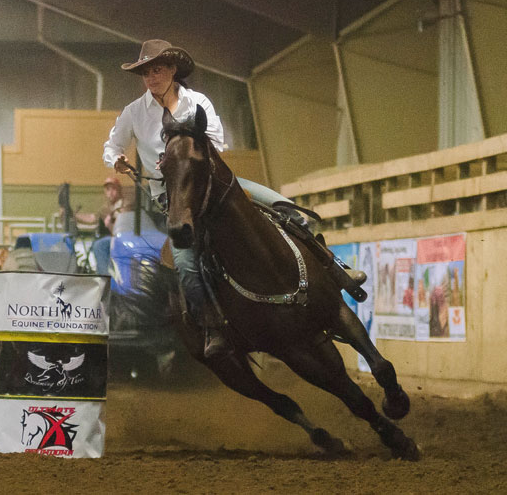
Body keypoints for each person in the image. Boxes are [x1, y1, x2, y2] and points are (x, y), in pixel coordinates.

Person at [103, 39, 363, 359]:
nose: (151, 77)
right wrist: (116, 159)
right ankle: (212, 324)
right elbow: (111, 144)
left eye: (157, 69)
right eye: (146, 72)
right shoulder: (133, 113)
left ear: (172, 70)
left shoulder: (197, 102)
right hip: (173, 196)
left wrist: (183, 154)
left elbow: (217, 142)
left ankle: (337, 269)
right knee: (185, 261)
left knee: (289, 211)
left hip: (213, 182)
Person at [75, 176, 133, 275]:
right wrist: (74, 215)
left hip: (124, 239)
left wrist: (110, 224)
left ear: (119, 190)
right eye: (108, 189)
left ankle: (104, 276)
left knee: (99, 245)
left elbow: (121, 230)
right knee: (99, 243)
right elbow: (93, 218)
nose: (110, 192)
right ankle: (103, 272)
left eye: (113, 189)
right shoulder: (106, 207)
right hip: (113, 237)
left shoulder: (125, 205)